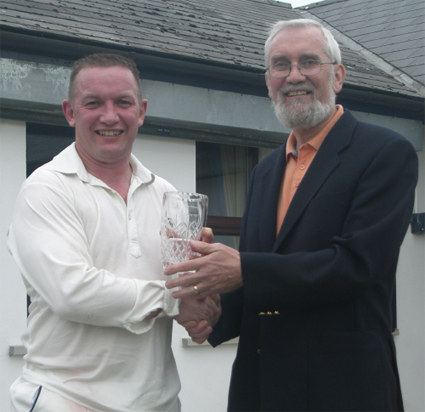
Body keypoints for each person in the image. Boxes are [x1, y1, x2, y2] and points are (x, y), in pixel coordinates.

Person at [164, 19, 418, 412]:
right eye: (280, 64)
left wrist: (242, 268)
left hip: (344, 390)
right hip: (261, 385)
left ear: (338, 75)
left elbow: (357, 265)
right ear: (268, 82)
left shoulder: (385, 153)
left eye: (308, 62)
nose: (293, 75)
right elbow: (262, 278)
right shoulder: (265, 171)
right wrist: (212, 312)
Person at [7, 53, 220, 412]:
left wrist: (203, 303)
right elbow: (71, 292)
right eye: (93, 103)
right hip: (66, 401)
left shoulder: (167, 195)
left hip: (159, 403)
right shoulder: (45, 189)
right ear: (70, 112)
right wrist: (174, 301)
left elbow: (182, 286)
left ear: (141, 110)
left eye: (123, 102)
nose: (110, 116)